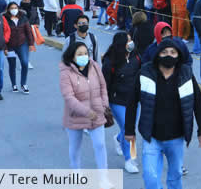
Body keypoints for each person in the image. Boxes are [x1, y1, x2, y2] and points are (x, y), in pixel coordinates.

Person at [125, 39, 201, 189]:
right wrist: (129, 130)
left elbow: (198, 103)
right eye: (164, 52)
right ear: (158, 54)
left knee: (175, 177)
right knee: (150, 177)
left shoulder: (186, 73)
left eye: (172, 52)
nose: (168, 55)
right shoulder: (145, 73)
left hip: (177, 138)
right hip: (152, 137)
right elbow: (132, 102)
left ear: (178, 55)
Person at [59, 41, 109, 171]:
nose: (84, 56)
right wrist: (86, 112)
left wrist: (104, 105)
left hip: (97, 114)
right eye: (80, 54)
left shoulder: (95, 66)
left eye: (86, 53)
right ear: (72, 56)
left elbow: (103, 86)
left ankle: (103, 178)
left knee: (100, 145)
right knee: (75, 148)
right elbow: (69, 97)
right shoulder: (66, 72)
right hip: (75, 116)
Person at [101, 32, 142, 174]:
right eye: (128, 40)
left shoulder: (136, 56)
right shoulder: (110, 62)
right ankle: (129, 159)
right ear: (120, 44)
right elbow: (104, 84)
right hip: (117, 100)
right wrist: (104, 103)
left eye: (131, 40)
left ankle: (118, 139)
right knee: (128, 128)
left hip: (135, 100)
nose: (131, 43)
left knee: (128, 128)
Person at [4, 2, 35, 94]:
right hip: (10, 45)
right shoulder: (4, 19)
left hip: (22, 44)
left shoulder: (23, 17)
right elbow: (2, 33)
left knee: (25, 63)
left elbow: (28, 31)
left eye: (15, 7)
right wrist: (4, 47)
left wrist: (31, 43)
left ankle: (23, 83)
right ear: (8, 9)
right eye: (12, 8)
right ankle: (14, 84)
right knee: (12, 65)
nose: (14, 9)